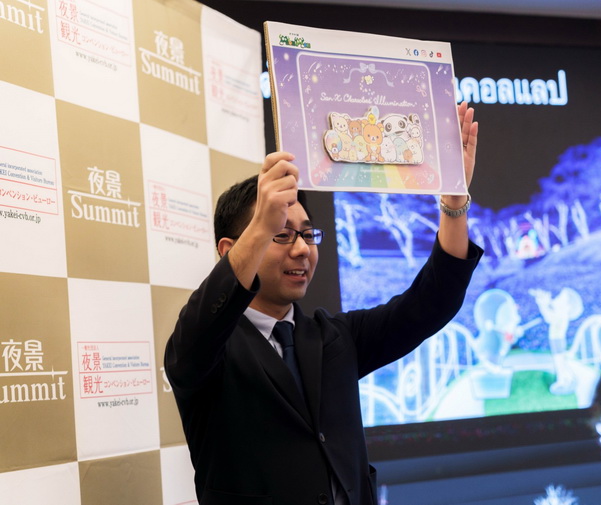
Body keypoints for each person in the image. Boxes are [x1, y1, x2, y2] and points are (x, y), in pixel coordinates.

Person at [164, 102, 482, 505]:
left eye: (308, 234)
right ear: (230, 250)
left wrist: (453, 203)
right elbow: (202, 324)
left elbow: (431, 303)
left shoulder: (335, 337)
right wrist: (262, 223)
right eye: (281, 234)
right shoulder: (204, 349)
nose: (301, 249)